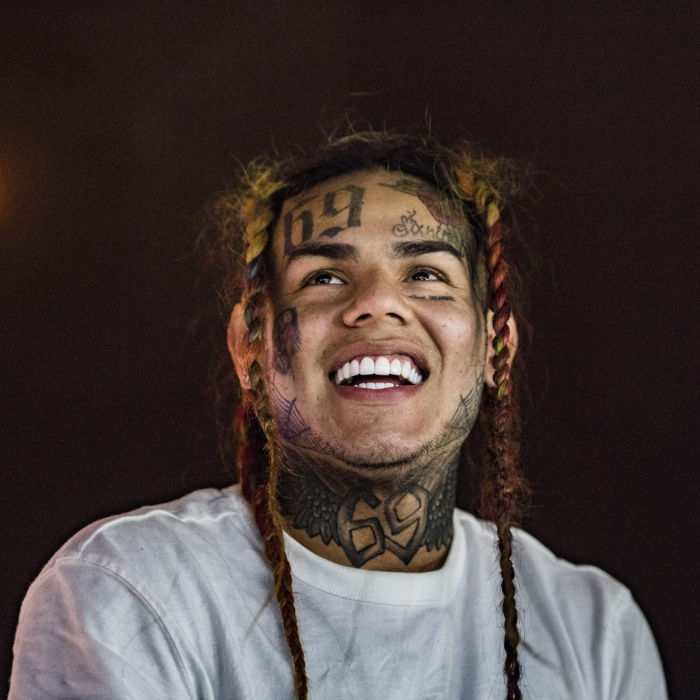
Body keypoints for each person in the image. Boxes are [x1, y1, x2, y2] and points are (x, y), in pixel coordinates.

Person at [10, 130, 667, 699]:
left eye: (426, 274)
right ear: (249, 348)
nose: (376, 303)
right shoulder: (126, 590)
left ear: (497, 348)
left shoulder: (596, 631)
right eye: (323, 277)